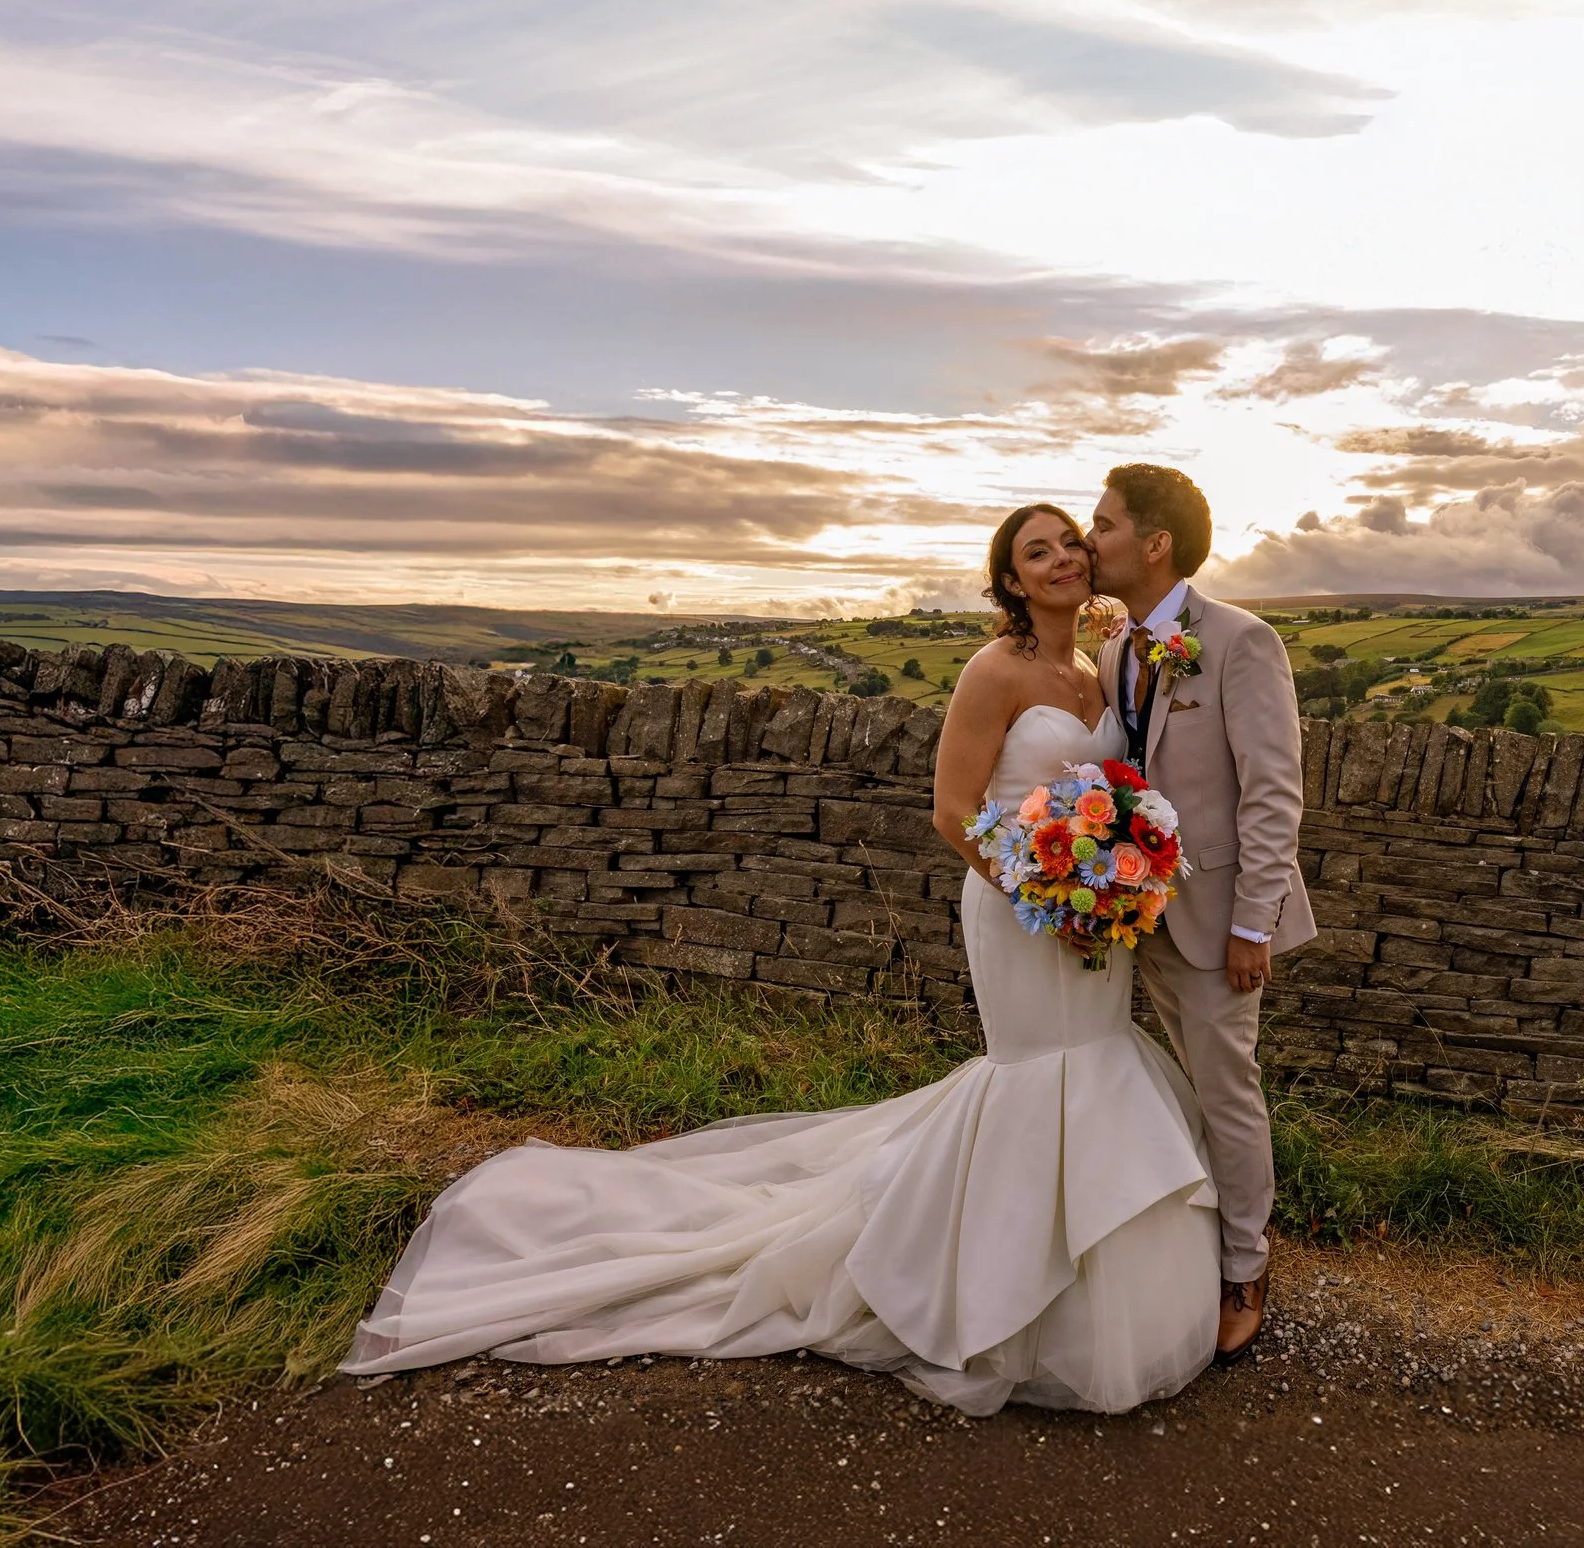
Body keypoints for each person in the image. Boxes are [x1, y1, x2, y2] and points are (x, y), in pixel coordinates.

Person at [339, 502, 1224, 1414]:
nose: (1060, 560)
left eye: (1069, 542)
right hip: (1018, 910)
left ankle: (1083, 1290)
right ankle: (983, 1296)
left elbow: (1119, 788)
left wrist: (1115, 882)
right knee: (1036, 1076)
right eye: (1034, 552)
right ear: (1009, 579)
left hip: (1095, 911)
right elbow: (954, 811)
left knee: (1098, 1065)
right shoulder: (992, 670)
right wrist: (1039, 896)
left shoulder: (1097, 664)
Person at [1088, 463, 1314, 1362]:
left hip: (1222, 923)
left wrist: (1253, 923)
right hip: (1139, 918)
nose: (1088, 538)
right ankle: (1187, 1243)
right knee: (1174, 1090)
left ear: (1156, 543)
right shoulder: (1116, 650)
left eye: (1103, 524)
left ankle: (1245, 1267)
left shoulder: (1240, 641)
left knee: (1227, 1092)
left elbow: (1272, 792)